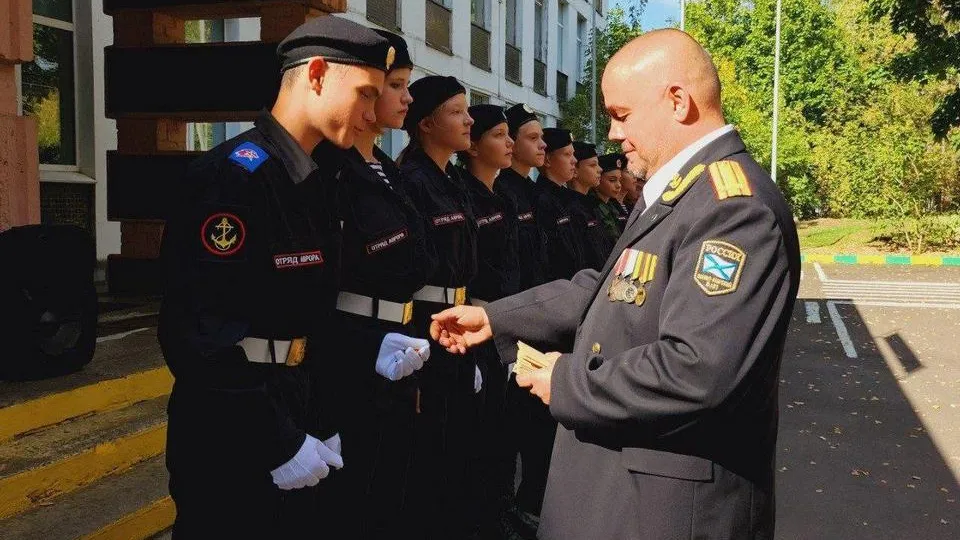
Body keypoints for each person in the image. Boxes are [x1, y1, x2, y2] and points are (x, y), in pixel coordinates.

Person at [430, 29, 801, 540]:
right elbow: (607, 285)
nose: (612, 134)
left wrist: (566, 381)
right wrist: (497, 318)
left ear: (677, 101)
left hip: (667, 513)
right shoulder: (684, 193)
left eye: (621, 114)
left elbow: (696, 369)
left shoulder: (732, 209)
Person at [158, 17, 394, 537]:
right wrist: (274, 439)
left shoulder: (314, 179)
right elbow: (200, 337)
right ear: (315, 74)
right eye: (366, 94)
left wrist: (368, 347)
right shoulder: (233, 178)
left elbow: (303, 317)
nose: (374, 115)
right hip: (231, 431)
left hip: (297, 406)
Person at [318, 29, 436, 539]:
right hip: (351, 353)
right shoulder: (331, 170)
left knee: (394, 486)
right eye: (397, 85)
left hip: (399, 347)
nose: (406, 97)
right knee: (354, 497)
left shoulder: (387, 169)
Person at [398, 75, 479, 540]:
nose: (468, 119)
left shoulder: (452, 179)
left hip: (458, 323)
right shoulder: (411, 179)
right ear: (427, 123)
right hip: (426, 327)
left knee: (459, 444)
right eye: (457, 112)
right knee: (429, 447)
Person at [456, 104, 523, 538]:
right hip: (476, 320)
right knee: (476, 435)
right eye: (499, 135)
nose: (510, 143)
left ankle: (500, 510)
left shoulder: (501, 195)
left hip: (505, 324)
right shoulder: (463, 191)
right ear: (475, 144)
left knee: (503, 430)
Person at [497, 104, 548, 293]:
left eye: (541, 137)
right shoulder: (501, 192)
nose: (543, 145)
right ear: (512, 143)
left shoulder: (534, 191)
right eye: (533, 138)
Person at [535, 128, 584, 281]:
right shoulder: (540, 199)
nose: (574, 160)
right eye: (567, 154)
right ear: (548, 160)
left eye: (573, 154)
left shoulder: (569, 198)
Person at [567, 141, 614, 271]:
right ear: (575, 170)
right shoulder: (570, 207)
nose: (600, 169)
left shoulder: (592, 204)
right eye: (593, 165)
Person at [594, 152, 625, 241]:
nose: (618, 185)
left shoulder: (615, 205)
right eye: (612, 180)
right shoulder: (591, 206)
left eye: (620, 180)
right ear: (598, 178)